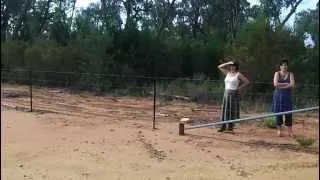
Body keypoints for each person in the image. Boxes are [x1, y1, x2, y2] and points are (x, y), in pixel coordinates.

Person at [217, 60, 250, 132]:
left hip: (233, 93)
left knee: (231, 111)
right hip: (226, 93)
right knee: (224, 110)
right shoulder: (227, 73)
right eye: (231, 66)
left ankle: (230, 128)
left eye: (234, 66)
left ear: (236, 67)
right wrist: (228, 63)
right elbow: (219, 67)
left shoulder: (238, 74)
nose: (232, 67)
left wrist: (239, 88)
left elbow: (247, 82)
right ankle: (223, 126)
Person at [272, 59, 295, 137]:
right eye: (282, 65)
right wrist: (286, 84)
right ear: (280, 66)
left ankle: (290, 131)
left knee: (288, 113)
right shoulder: (277, 73)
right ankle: (279, 130)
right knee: (278, 113)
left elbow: (292, 85)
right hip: (278, 96)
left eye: (285, 65)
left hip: (287, 97)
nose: (284, 66)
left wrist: (281, 85)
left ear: (287, 66)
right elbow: (275, 84)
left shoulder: (291, 74)